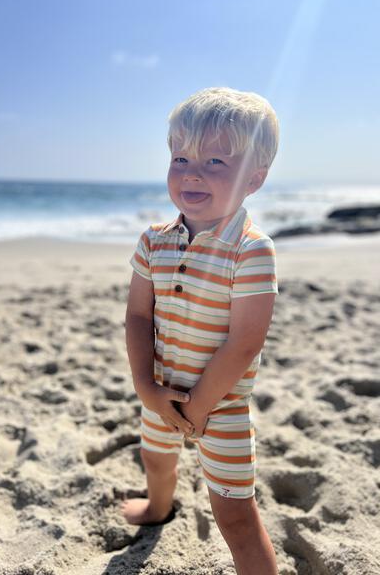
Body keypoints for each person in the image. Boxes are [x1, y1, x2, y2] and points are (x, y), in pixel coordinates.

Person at [122, 86, 280, 574]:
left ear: (253, 179)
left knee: (235, 515)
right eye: (181, 157)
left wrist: (201, 405)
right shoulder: (155, 241)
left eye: (215, 162)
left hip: (221, 402)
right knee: (157, 459)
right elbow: (138, 317)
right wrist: (147, 388)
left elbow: (244, 341)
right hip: (164, 390)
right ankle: (158, 507)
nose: (192, 172)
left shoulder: (251, 251)